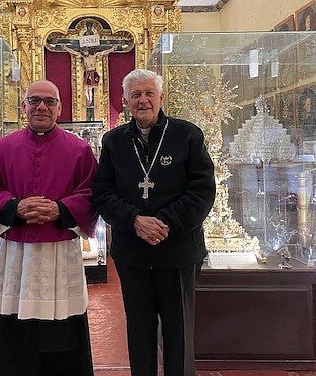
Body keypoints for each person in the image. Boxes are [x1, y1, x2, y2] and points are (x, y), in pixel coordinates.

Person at [92, 69, 216, 376]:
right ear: (125, 101)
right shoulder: (114, 141)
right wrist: (134, 220)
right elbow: (102, 193)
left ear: (161, 97)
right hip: (132, 253)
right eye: (135, 95)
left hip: (178, 251)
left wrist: (164, 223)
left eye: (149, 93)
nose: (143, 100)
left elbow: (203, 191)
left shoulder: (187, 135)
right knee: (139, 330)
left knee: (179, 332)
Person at [0, 79, 98, 376]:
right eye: (35, 100)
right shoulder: (2, 148)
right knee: (14, 329)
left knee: (62, 328)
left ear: (60, 108)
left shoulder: (79, 150)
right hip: (16, 252)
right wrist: (15, 207)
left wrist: (61, 209)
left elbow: (93, 193)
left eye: (49, 101)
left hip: (59, 252)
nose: (42, 106)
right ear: (24, 106)